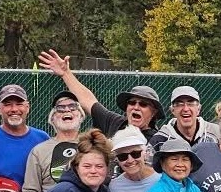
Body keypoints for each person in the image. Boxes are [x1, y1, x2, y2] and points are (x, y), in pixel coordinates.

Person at [35, 48, 165, 143]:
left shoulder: (157, 140)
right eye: (132, 102)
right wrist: (66, 74)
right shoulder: (115, 123)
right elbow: (88, 101)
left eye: (143, 104)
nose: (136, 107)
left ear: (153, 112)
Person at [154, 85, 221, 147]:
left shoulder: (217, 133)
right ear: (172, 110)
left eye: (190, 103)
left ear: (198, 109)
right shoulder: (160, 140)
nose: (185, 109)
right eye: (180, 104)